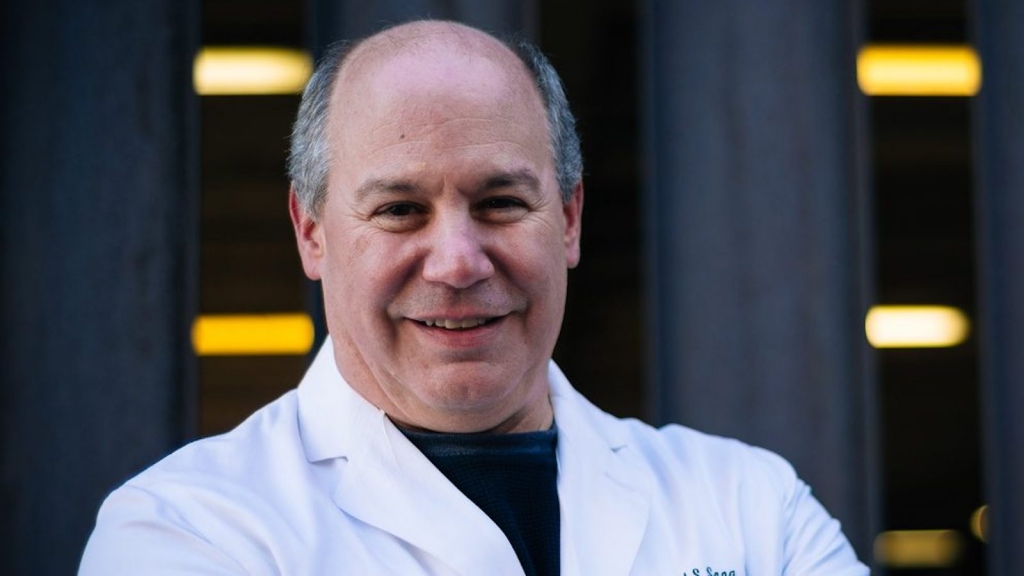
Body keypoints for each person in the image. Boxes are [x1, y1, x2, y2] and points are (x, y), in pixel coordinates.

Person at [80, 20, 868, 575]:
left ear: (568, 219)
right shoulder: (187, 531)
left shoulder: (751, 507)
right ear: (312, 233)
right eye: (400, 209)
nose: (458, 263)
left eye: (500, 203)